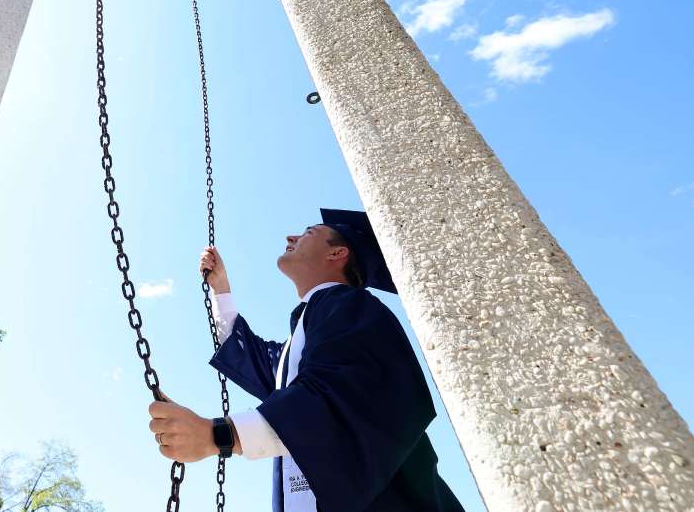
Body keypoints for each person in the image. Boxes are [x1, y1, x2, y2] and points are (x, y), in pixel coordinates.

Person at [147, 208, 465, 512]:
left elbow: (338, 394)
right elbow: (258, 363)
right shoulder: (312, 327)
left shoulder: (350, 306)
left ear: (337, 254)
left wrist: (217, 435)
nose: (290, 236)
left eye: (309, 232)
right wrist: (221, 288)